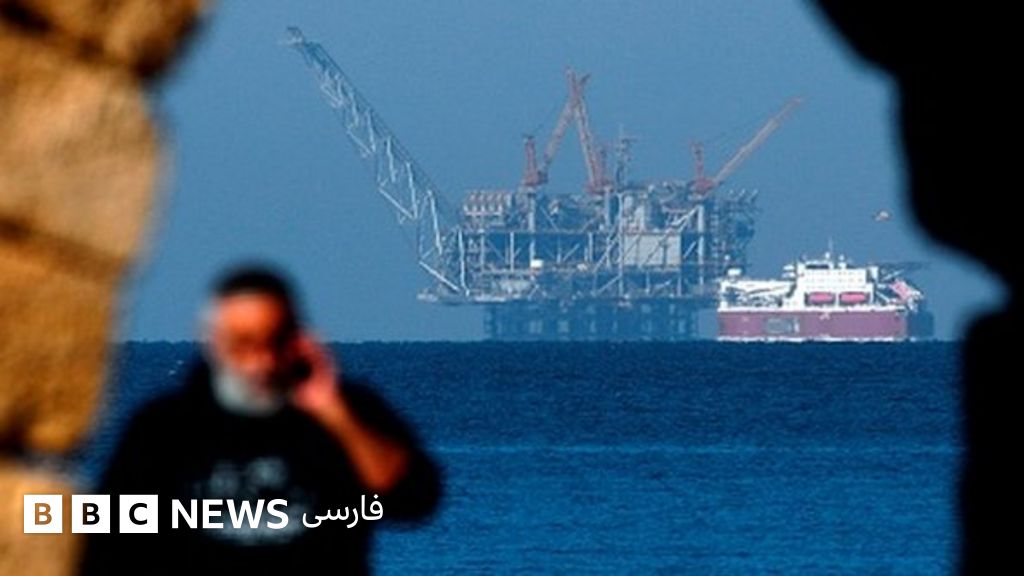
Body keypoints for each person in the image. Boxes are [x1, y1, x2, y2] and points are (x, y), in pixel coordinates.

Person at [79, 263, 442, 575]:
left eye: (273, 342)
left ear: (296, 338)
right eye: (243, 344)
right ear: (213, 341)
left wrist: (332, 410)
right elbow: (105, 535)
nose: (260, 361)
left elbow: (414, 498)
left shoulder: (345, 415)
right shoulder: (164, 428)